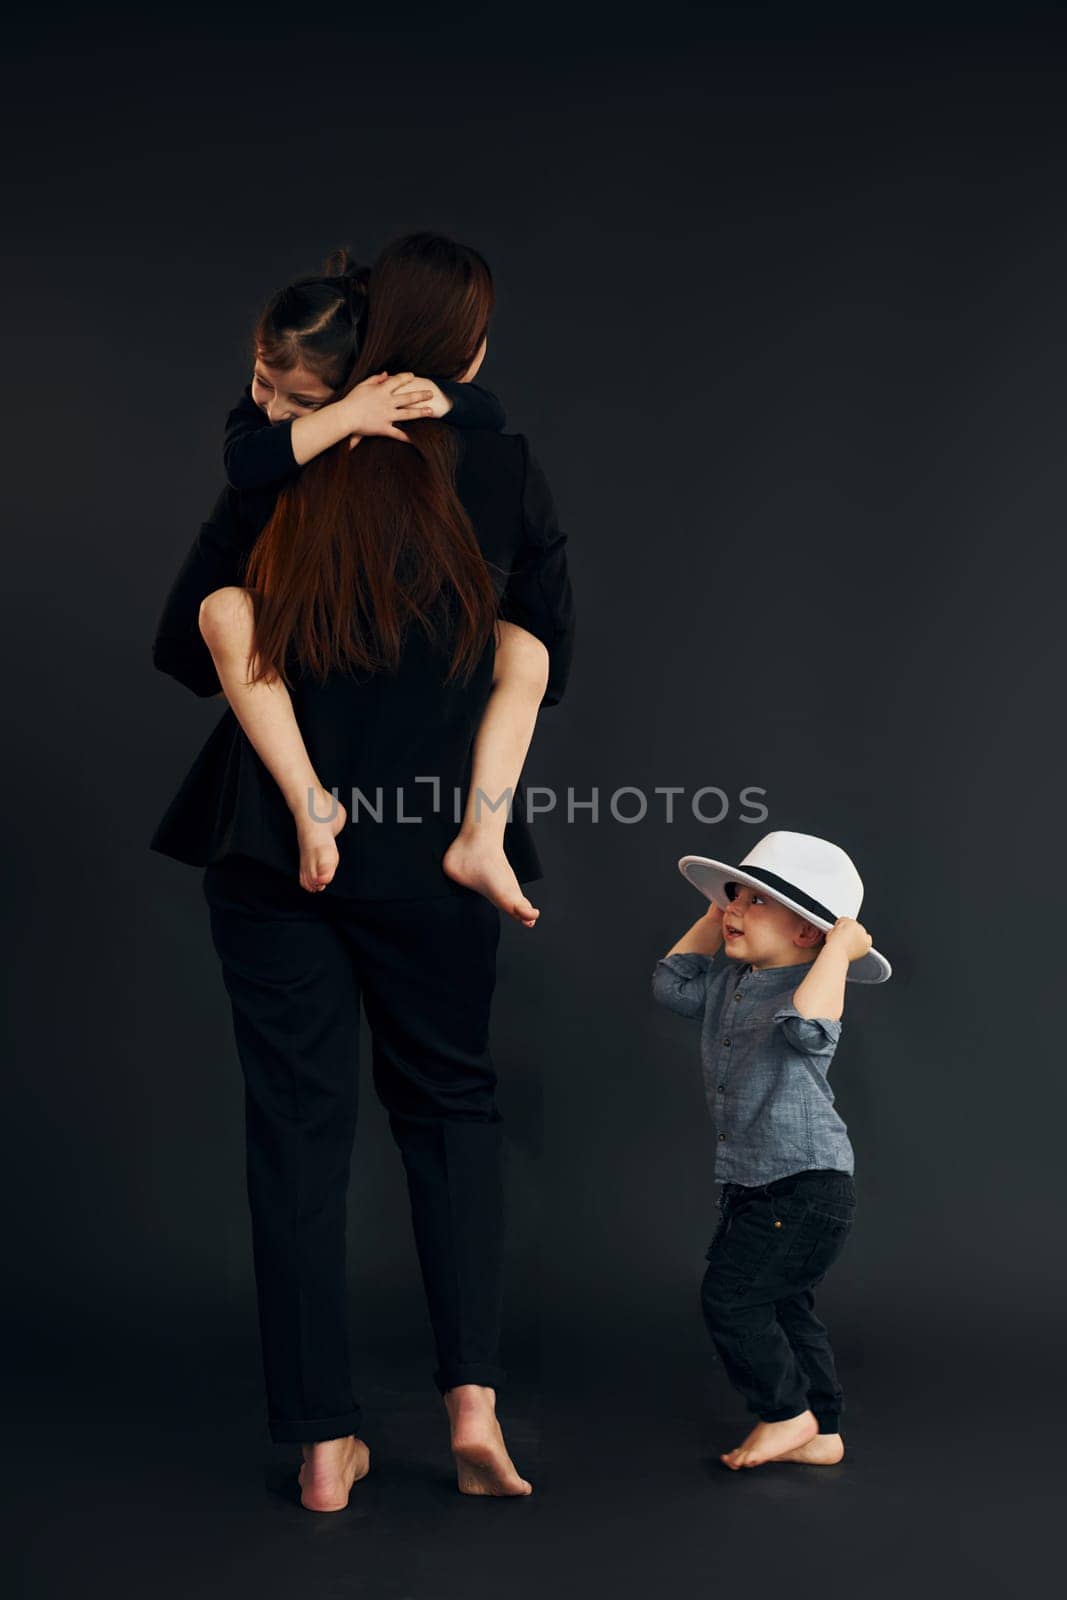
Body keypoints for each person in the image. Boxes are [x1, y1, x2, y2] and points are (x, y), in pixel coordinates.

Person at [149, 232, 575, 1510]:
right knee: (450, 1109)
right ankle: (471, 1404)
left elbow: (188, 643)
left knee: (297, 1129)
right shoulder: (499, 464)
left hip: (278, 845)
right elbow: (541, 643)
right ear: (470, 355)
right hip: (446, 844)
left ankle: (324, 1440)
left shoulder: (283, 464)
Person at [195, 254, 549, 923]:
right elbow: (246, 459)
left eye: (302, 402)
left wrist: (441, 399)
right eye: (263, 383)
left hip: (395, 755)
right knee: (223, 610)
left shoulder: (447, 436)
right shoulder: (267, 436)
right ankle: (309, 801)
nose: (271, 410)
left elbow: (486, 407)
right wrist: (339, 417)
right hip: (356, 759)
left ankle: (482, 836)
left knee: (527, 652)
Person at [650, 830, 891, 1470]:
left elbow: (812, 1029)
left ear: (807, 933)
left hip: (806, 1183)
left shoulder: (808, 991)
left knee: (731, 1298)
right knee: (782, 1302)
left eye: (754, 902)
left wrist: (840, 948)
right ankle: (822, 1429)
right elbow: (671, 986)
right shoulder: (730, 985)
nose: (733, 908)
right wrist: (713, 914)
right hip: (757, 1181)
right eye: (734, 895)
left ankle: (785, 1413)